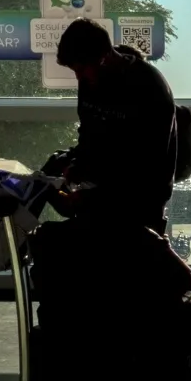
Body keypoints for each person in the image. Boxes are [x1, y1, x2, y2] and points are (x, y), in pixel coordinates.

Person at [55, 16, 177, 234]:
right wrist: (77, 165)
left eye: (81, 69)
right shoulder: (90, 80)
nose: (78, 78)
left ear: (103, 58)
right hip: (102, 190)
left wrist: (92, 195)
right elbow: (89, 133)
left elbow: (148, 167)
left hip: (139, 202)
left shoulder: (148, 87)